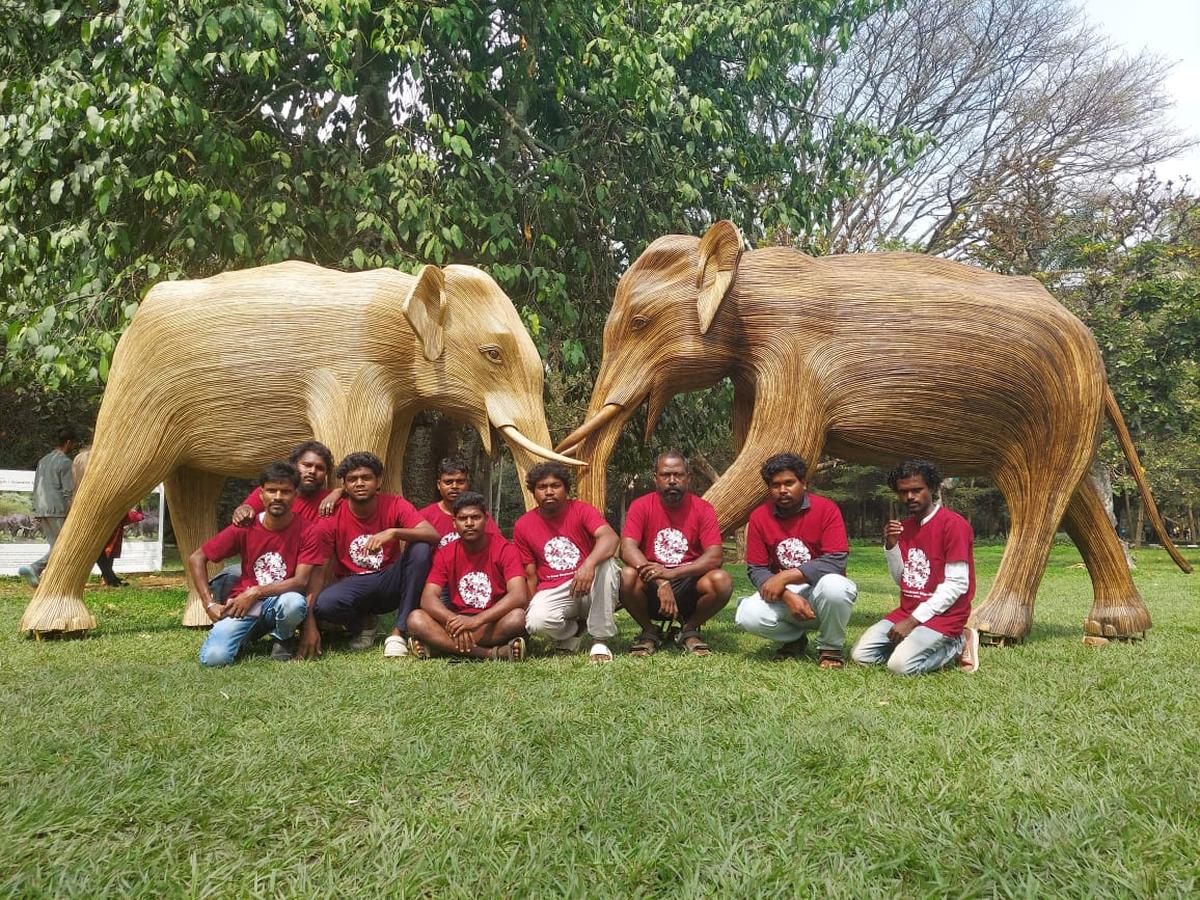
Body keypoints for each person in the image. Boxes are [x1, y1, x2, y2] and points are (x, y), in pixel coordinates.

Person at [297, 451, 438, 658]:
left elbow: (432, 534)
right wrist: (309, 621)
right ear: (344, 486)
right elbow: (319, 571)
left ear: (378, 481)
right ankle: (364, 623)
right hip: (353, 584)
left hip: (390, 580)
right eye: (352, 479)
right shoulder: (331, 518)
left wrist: (393, 532)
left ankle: (398, 632)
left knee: (421, 547)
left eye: (366, 478)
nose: (360, 483)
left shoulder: (395, 504)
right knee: (324, 604)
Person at [851, 459, 980, 674]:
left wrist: (912, 621)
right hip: (908, 611)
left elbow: (957, 584)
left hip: (944, 617)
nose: (909, 496)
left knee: (900, 667)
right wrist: (891, 547)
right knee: (861, 656)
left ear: (932, 488)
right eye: (903, 492)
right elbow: (904, 580)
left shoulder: (954, 525)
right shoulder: (905, 527)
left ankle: (959, 641)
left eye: (917, 490)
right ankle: (912, 646)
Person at [188, 462, 323, 666]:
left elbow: (300, 581)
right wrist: (209, 603)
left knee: (294, 602)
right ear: (261, 495)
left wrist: (255, 592)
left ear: (295, 495)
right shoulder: (245, 527)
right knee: (214, 659)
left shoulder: (308, 531)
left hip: (279, 602)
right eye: (271, 490)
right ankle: (246, 635)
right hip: (243, 604)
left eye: (285, 491)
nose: (277, 497)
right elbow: (197, 558)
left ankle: (283, 637)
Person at [734, 453, 858, 668]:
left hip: (820, 591)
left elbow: (836, 559)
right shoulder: (759, 517)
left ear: (803, 482)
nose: (782, 490)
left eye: (789, 483)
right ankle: (793, 640)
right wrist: (785, 594)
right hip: (784, 593)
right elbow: (756, 569)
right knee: (748, 614)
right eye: (775, 485)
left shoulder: (826, 509)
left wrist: (786, 576)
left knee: (836, 586)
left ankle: (830, 648)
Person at [382, 456, 502, 658]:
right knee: (420, 617)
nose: (455, 487)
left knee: (505, 619)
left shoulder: (480, 517)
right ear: (439, 485)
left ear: (468, 483)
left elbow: (496, 552)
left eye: (460, 481)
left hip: (473, 584)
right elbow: (414, 561)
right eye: (448, 482)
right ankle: (407, 631)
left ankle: (436, 644)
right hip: (437, 586)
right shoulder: (425, 516)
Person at [619, 451, 732, 657]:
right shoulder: (641, 506)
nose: (672, 481)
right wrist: (662, 581)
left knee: (721, 580)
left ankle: (688, 629)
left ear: (688, 477)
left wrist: (673, 574)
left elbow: (715, 556)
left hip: (689, 584)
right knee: (627, 576)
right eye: (665, 475)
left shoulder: (703, 509)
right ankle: (649, 631)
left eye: (678, 475)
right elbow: (627, 549)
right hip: (651, 583)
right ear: (656, 478)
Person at [209, 440, 343, 604]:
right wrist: (241, 510)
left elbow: (358, 494)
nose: (312, 471)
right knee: (228, 576)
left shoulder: (331, 503)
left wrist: (339, 491)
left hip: (307, 573)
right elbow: (244, 511)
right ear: (294, 466)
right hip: (270, 569)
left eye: (320, 468)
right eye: (306, 465)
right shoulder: (273, 493)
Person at [513, 461, 619, 662]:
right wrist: (529, 607)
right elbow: (530, 574)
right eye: (542, 487)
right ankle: (574, 630)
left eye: (555, 486)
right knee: (536, 622)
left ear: (566, 489)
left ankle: (600, 640)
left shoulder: (581, 510)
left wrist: (588, 565)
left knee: (606, 564)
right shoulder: (523, 525)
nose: (549, 492)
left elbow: (610, 538)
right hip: (556, 589)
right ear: (533, 492)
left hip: (591, 586)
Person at [406, 492, 529, 661]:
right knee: (415, 619)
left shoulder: (505, 548)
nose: (469, 523)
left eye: (475, 517)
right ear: (454, 523)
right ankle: (490, 653)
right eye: (463, 519)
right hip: (458, 619)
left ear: (486, 519)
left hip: (492, 620)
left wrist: (477, 621)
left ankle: (441, 646)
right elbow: (428, 598)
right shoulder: (446, 552)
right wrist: (455, 621)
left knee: (517, 618)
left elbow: (519, 595)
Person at [19, 426, 79, 587]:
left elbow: (37, 485)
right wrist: (72, 509)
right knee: (63, 546)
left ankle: (46, 576)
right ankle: (34, 567)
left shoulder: (43, 460)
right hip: (58, 509)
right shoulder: (66, 462)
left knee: (55, 545)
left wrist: (36, 508)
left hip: (42, 508)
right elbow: (68, 491)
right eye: (72, 444)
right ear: (68, 443)